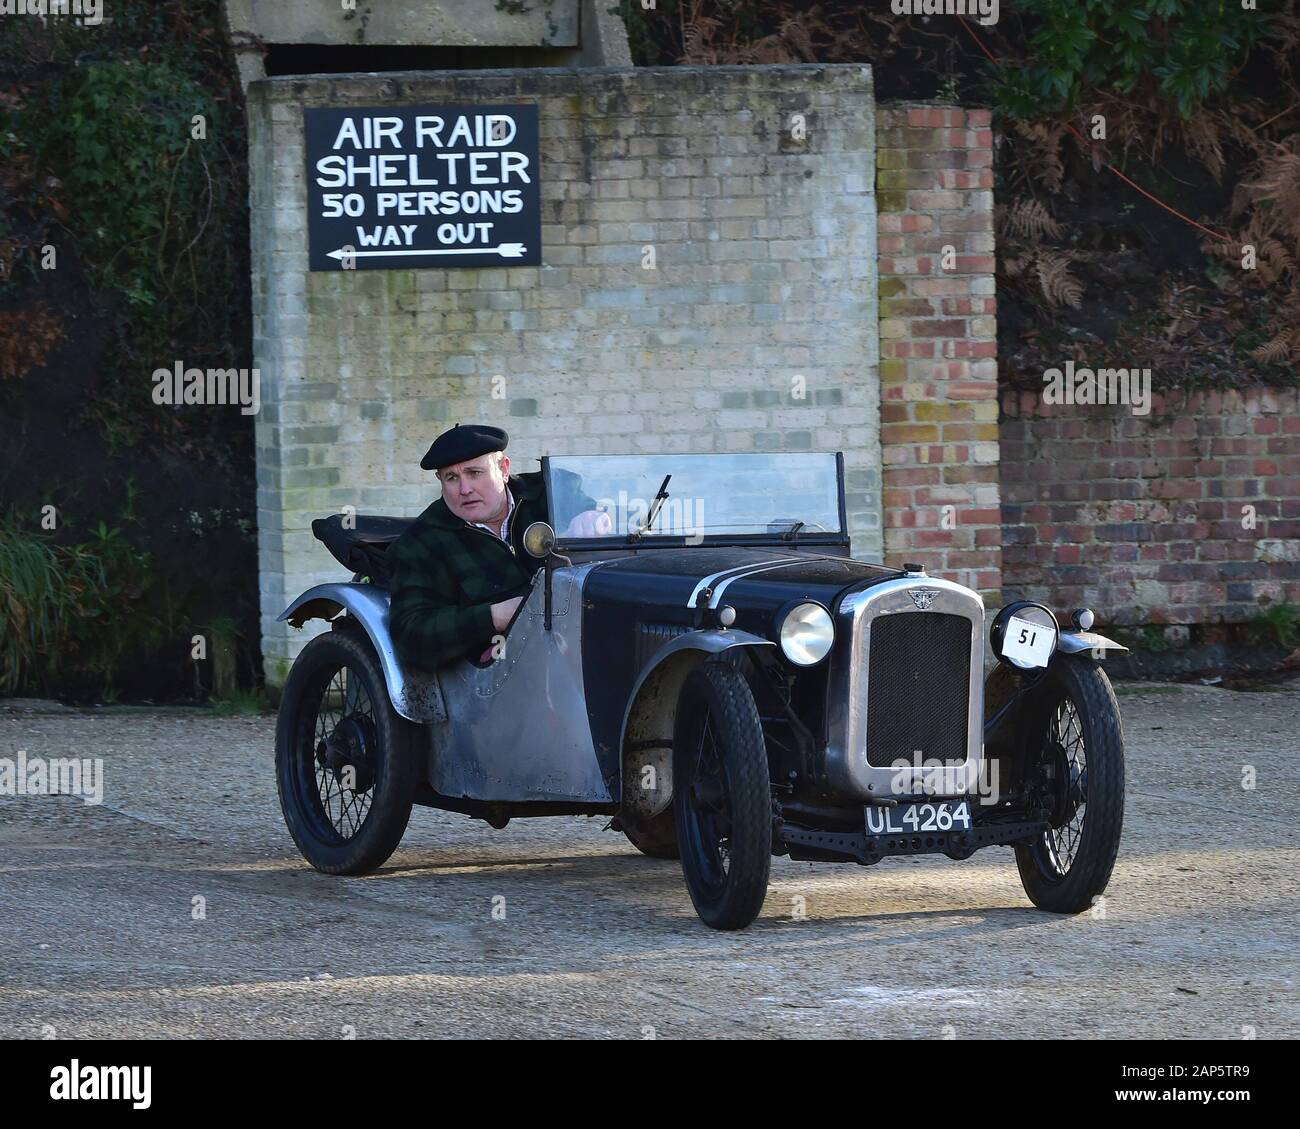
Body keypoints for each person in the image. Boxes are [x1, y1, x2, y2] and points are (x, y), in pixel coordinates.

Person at [386, 424, 610, 670]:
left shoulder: (551, 492)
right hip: (502, 674)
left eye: (474, 473)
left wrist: (594, 516)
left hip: (583, 638)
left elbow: (597, 512)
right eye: (452, 477)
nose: (465, 489)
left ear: (503, 470)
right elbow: (412, 636)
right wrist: (495, 616)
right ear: (440, 480)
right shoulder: (421, 543)